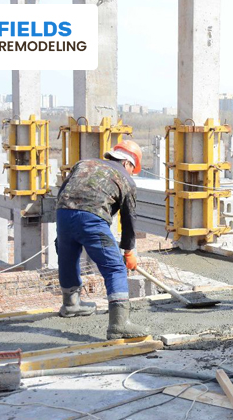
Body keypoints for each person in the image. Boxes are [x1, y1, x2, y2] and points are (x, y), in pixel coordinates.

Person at [55, 139, 149, 340]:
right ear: (128, 163)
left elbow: (63, 192)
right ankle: (119, 324)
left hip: (63, 213)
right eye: (133, 169)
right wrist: (128, 250)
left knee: (68, 257)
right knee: (115, 267)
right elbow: (129, 218)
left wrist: (65, 226)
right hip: (92, 217)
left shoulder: (84, 163)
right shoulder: (126, 179)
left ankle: (71, 304)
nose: (132, 173)